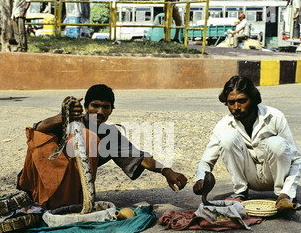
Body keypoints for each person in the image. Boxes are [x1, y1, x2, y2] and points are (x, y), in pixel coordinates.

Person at [18, 84, 188, 211]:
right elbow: (37, 130)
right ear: (86, 108)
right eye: (95, 106)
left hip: (71, 193)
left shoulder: (109, 133)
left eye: (105, 107)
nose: (100, 111)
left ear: (111, 110)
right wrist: (62, 117)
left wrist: (166, 171)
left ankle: (69, 200)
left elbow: (139, 157)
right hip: (39, 183)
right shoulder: (68, 120)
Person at [192, 76, 301, 208]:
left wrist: (287, 192)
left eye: (242, 101)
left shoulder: (274, 116)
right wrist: (200, 178)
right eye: (231, 103)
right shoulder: (224, 125)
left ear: (253, 99)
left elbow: (296, 159)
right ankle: (240, 193)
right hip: (248, 178)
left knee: (277, 143)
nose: (236, 107)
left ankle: (282, 196)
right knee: (228, 138)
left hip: (276, 177)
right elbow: (206, 161)